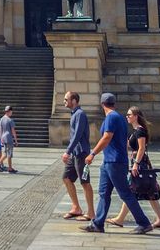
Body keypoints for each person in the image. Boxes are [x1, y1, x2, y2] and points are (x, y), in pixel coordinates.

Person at [82, 93, 152, 235]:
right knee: (103, 193)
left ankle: (144, 223)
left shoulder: (111, 117)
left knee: (125, 193)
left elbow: (107, 137)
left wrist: (92, 153)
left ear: (102, 104)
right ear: (114, 103)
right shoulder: (120, 117)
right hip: (110, 161)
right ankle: (98, 224)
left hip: (115, 162)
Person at [111, 106, 160, 230]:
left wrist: (136, 163)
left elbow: (141, 148)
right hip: (139, 162)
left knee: (131, 191)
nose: (127, 117)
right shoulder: (135, 131)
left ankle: (120, 219)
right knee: (150, 192)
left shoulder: (140, 131)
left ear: (136, 116)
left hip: (140, 164)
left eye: (129, 115)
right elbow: (130, 146)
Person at [60, 91, 94, 222]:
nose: (64, 102)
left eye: (66, 99)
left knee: (85, 182)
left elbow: (78, 135)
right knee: (66, 178)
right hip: (75, 153)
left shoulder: (80, 114)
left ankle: (91, 212)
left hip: (81, 153)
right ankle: (76, 208)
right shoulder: (74, 114)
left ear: (74, 101)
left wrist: (67, 151)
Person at [0, 106, 18, 173]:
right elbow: (13, 131)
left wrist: (1, 137)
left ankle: (10, 168)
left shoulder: (2, 119)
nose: (11, 113)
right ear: (10, 111)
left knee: (7, 153)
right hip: (9, 138)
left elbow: (0, 129)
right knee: (9, 154)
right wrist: (16, 140)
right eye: (11, 112)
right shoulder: (10, 120)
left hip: (3, 137)